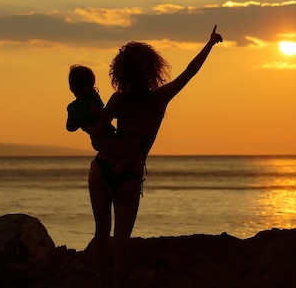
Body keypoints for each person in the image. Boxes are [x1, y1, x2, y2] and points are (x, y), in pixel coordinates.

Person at [88, 25, 223, 288]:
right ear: (153, 70)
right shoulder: (160, 98)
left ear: (120, 72)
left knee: (101, 235)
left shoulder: (119, 99)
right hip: (129, 174)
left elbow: (97, 122)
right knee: (121, 242)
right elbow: (190, 72)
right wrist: (209, 44)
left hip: (101, 166)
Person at [66, 65, 138, 188]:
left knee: (115, 153)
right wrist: (113, 113)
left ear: (72, 88)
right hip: (107, 137)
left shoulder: (73, 107)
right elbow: (95, 111)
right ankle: (113, 178)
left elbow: (70, 127)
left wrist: (82, 122)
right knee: (129, 155)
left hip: (95, 142)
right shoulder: (93, 97)